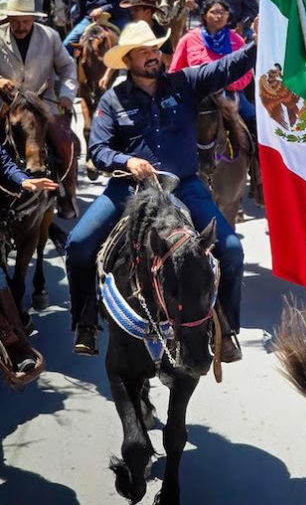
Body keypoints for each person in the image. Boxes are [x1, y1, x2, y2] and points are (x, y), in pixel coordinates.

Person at [65, 20, 256, 357]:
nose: (153, 56)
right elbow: (98, 149)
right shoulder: (113, 100)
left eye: (155, 49)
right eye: (144, 52)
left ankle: (224, 328)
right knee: (78, 244)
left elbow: (231, 65)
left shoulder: (185, 83)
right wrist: (127, 162)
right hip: (131, 191)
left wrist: (262, 38)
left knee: (231, 249)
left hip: (184, 186)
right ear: (128, 61)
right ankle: (86, 322)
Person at [0, 0, 78, 217]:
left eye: (26, 21)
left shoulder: (50, 36)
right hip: (6, 106)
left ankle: (67, 193)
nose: (21, 26)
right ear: (8, 18)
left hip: (43, 106)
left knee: (65, 142)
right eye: (16, 21)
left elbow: (67, 67)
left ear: (33, 18)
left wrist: (66, 94)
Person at [170, 0, 255, 126]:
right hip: (197, 93)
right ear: (204, 15)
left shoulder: (236, 40)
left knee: (253, 118)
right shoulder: (188, 39)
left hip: (231, 94)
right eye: (214, 12)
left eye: (223, 12)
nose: (219, 16)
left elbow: (247, 73)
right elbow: (175, 71)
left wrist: (226, 83)